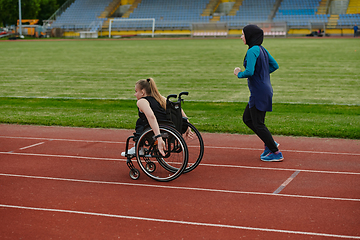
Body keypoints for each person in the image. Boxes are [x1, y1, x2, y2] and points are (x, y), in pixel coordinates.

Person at [233, 24, 283, 162]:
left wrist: (238, 74)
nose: (241, 37)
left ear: (249, 35)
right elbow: (275, 65)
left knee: (258, 123)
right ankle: (269, 143)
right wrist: (262, 74)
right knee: (248, 119)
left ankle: (275, 151)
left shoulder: (252, 51)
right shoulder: (262, 49)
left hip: (259, 92)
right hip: (264, 90)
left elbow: (249, 72)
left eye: (243, 34)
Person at [121, 78, 190, 157]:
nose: (135, 94)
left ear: (142, 92)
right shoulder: (160, 98)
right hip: (168, 127)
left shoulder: (141, 101)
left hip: (156, 130)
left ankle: (139, 147)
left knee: (140, 121)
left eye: (136, 92)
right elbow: (177, 108)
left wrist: (159, 137)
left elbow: (152, 117)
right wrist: (187, 123)